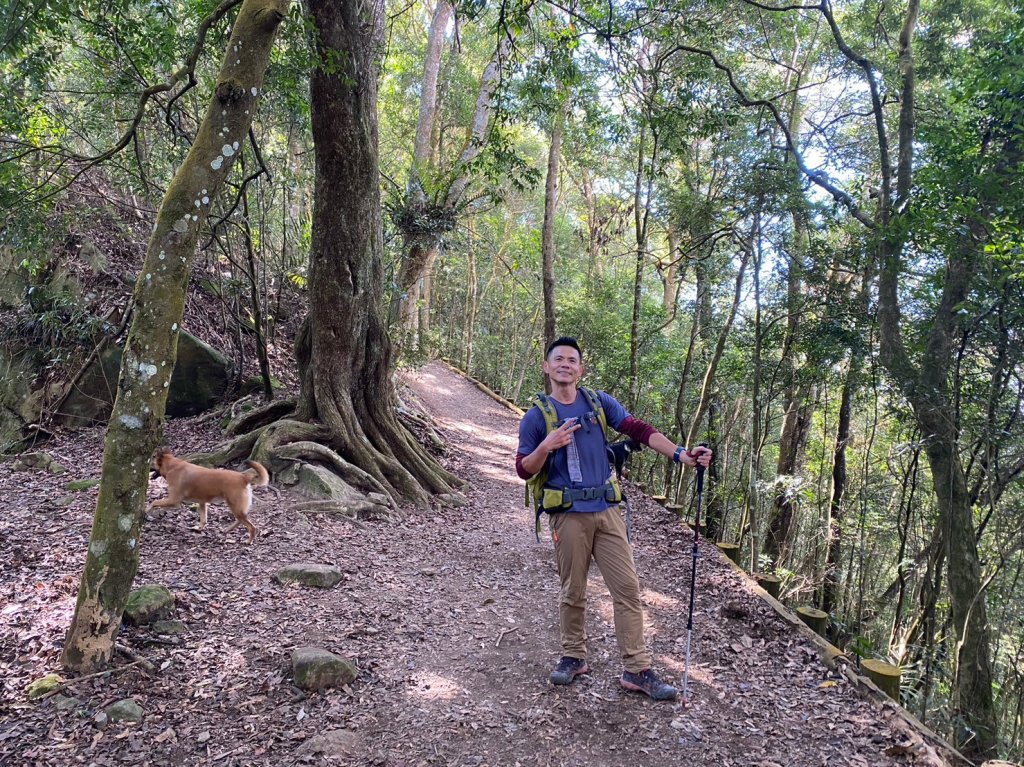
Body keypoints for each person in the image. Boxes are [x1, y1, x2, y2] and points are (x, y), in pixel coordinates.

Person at [516, 336, 712, 701]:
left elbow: (637, 429)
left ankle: (637, 668)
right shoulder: (536, 417)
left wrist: (681, 454)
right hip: (567, 516)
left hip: (607, 513)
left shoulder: (597, 402)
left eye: (572, 360)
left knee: (627, 589)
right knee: (573, 591)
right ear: (546, 367)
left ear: (580, 369)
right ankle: (573, 656)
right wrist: (548, 445)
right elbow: (523, 470)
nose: (565, 364)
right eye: (558, 359)